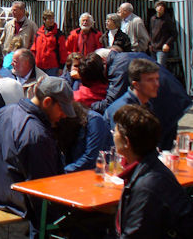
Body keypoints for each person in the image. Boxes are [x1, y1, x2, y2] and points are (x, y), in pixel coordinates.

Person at [0, 77, 74, 237]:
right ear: (47, 102)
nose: (63, 116)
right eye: (62, 109)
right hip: (21, 213)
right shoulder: (36, 134)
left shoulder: (5, 112)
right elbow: (42, 192)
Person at [112, 105, 193, 238]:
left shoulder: (147, 187)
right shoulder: (148, 169)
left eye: (115, 132)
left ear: (127, 142)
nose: (113, 136)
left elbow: (135, 234)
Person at [104, 59, 160, 132]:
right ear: (136, 85)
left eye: (157, 79)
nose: (157, 84)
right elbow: (120, 142)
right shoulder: (122, 110)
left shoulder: (147, 104)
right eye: (150, 80)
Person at [56, 101, 109, 173]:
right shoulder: (60, 126)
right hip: (73, 172)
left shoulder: (94, 120)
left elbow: (91, 159)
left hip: (95, 174)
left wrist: (61, 172)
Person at [30, 10, 67, 76]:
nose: (51, 21)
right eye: (49, 19)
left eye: (52, 18)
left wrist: (61, 67)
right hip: (39, 67)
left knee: (51, 85)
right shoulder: (38, 33)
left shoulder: (58, 34)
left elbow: (63, 51)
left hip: (53, 67)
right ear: (44, 20)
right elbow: (34, 50)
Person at [149, 1, 177, 66]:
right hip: (153, 48)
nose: (160, 8)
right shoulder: (153, 19)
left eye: (162, 6)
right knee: (153, 67)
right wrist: (150, 44)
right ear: (155, 8)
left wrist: (167, 44)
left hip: (162, 49)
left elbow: (174, 34)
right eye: (158, 6)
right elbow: (151, 32)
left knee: (160, 68)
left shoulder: (167, 19)